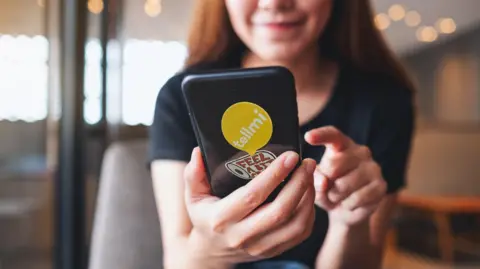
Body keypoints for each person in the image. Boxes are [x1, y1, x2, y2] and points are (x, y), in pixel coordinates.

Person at [148, 0, 415, 268]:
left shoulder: (386, 104)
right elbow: (178, 259)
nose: (273, 2)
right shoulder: (181, 99)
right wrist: (209, 252)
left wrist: (349, 223)